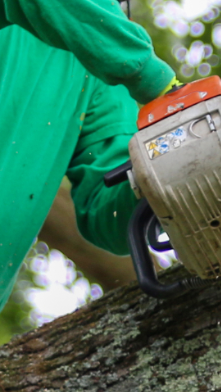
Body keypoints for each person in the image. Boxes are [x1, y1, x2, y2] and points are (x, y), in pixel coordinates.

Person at [0, 0, 178, 308]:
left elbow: (108, 210)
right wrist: (169, 90)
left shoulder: (100, 72)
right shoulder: (119, 54)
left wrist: (175, 166)